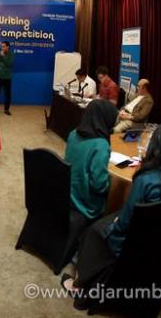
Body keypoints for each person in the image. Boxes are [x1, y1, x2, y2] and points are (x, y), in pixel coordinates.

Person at [61, 120, 161, 305]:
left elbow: (124, 223)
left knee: (93, 231)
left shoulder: (145, 179)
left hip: (131, 242)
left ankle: (81, 286)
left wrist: (114, 225)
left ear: (158, 144)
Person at [64, 100, 119, 257]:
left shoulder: (73, 134)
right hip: (84, 204)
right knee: (116, 197)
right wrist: (112, 184)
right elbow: (99, 185)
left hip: (66, 192)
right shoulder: (101, 145)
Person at [0, 41, 14, 115]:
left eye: (3, 46)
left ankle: (6, 109)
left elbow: (9, 64)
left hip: (7, 77)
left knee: (7, 94)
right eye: (1, 46)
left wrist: (3, 56)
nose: (2, 48)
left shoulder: (11, 54)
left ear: (8, 47)